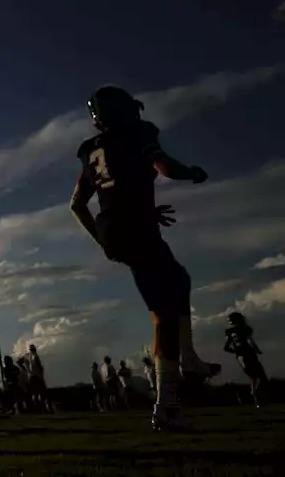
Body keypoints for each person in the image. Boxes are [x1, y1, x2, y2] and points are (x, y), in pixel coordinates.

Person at [70, 85, 222, 431]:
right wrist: (192, 173)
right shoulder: (138, 132)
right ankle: (167, 405)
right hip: (135, 231)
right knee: (165, 315)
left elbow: (78, 204)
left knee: (179, 280)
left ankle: (188, 358)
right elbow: (162, 164)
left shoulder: (90, 151)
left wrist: (106, 239)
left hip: (120, 231)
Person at [224, 312, 267, 407]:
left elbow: (226, 347)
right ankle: (254, 398)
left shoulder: (230, 331)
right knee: (261, 378)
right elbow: (250, 340)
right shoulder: (245, 329)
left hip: (241, 356)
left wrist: (237, 352)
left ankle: (256, 400)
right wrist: (255, 349)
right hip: (247, 354)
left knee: (255, 378)